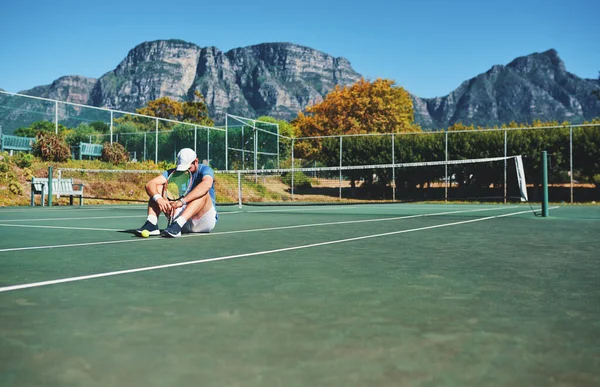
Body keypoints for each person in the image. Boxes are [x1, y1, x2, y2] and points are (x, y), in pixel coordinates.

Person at [136, 148, 217, 238]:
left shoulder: (205, 170)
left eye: (188, 168)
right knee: (158, 187)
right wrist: (159, 199)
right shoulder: (174, 172)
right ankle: (152, 223)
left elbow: (207, 185)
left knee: (204, 192)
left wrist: (182, 201)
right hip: (179, 216)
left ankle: (178, 225)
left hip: (203, 221)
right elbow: (150, 184)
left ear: (196, 161)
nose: (186, 171)